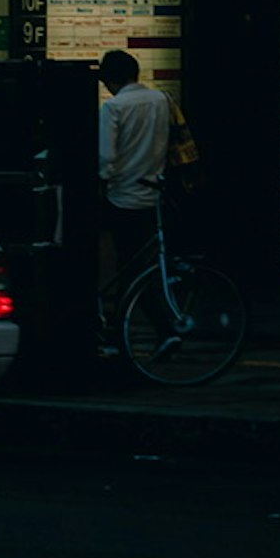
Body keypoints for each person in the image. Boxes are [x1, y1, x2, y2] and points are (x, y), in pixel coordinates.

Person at [96, 48, 174, 347]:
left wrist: (101, 183)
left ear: (109, 80)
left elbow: (106, 158)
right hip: (154, 194)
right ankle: (129, 325)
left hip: (122, 197)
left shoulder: (114, 108)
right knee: (145, 263)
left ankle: (133, 327)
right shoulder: (161, 100)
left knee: (126, 265)